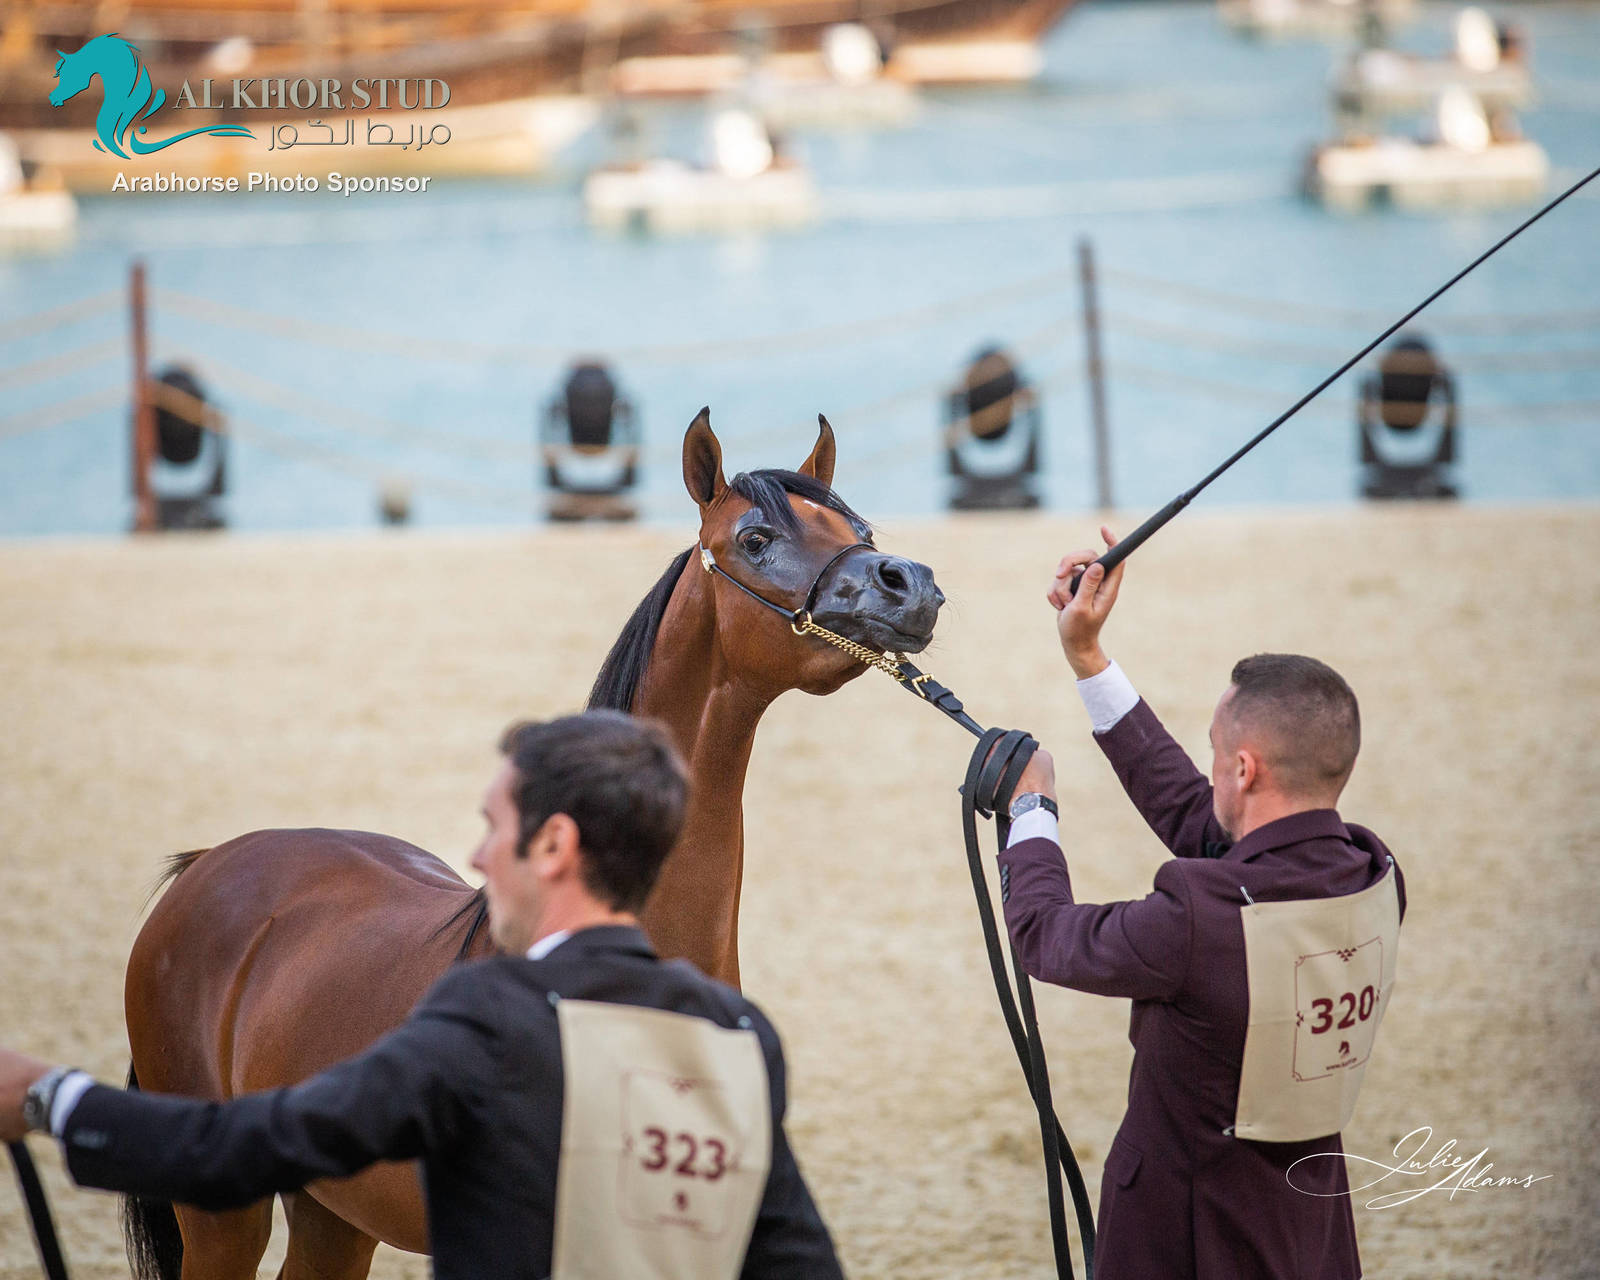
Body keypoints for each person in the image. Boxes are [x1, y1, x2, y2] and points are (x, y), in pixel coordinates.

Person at [0, 710, 844, 1280]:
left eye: (493, 827)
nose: (475, 859)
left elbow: (247, 1146)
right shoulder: (736, 1031)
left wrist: (46, 1097)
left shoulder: (491, 1019)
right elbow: (794, 1258)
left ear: (554, 845)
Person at [1000, 529, 1405, 1280]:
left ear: (1244, 769)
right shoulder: (1374, 873)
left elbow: (1045, 937)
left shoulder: (1197, 918)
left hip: (1185, 1237)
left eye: (1215, 750)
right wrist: (1088, 657)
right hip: (1310, 1228)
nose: (1209, 766)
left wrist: (1032, 811)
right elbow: (1206, 824)